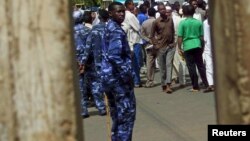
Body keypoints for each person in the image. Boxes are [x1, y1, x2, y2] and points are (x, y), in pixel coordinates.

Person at [101, 2, 136, 141]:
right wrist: (128, 75)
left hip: (108, 78)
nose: (121, 14)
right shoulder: (115, 29)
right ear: (110, 13)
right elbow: (114, 56)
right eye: (118, 11)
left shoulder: (109, 27)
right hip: (118, 80)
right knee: (126, 117)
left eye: (123, 11)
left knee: (116, 117)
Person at [81, 9, 110, 118]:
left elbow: (88, 48)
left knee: (96, 85)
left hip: (97, 62)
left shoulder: (94, 31)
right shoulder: (112, 29)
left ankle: (102, 107)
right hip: (110, 62)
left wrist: (83, 62)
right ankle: (110, 105)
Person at [177, 4, 209, 92]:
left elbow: (180, 37)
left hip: (188, 46)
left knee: (191, 66)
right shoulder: (198, 22)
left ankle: (195, 86)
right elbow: (201, 37)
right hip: (197, 44)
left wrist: (179, 47)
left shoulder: (182, 23)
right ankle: (206, 83)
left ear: (185, 13)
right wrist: (202, 47)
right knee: (200, 66)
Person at [150, 3, 175, 93]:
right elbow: (151, 35)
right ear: (158, 11)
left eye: (164, 9)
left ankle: (168, 84)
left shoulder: (170, 20)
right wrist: (156, 44)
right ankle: (163, 84)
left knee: (169, 65)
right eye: (161, 9)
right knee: (162, 67)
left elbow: (173, 31)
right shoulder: (156, 22)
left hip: (170, 46)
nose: (163, 11)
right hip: (161, 47)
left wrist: (173, 42)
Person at [72, 10, 92, 118]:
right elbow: (89, 47)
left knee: (79, 87)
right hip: (87, 61)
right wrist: (84, 61)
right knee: (88, 84)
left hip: (75, 62)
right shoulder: (87, 30)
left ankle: (82, 110)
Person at [123, 0, 143, 88]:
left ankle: (133, 80)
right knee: (136, 62)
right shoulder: (130, 16)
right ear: (128, 5)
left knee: (130, 62)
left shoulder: (125, 15)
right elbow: (138, 27)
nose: (133, 6)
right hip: (134, 41)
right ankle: (136, 81)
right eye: (132, 4)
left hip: (128, 41)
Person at [141, 7, 157, 88]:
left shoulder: (144, 23)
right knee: (161, 63)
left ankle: (149, 80)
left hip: (149, 45)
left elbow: (142, 35)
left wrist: (149, 40)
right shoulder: (157, 21)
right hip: (158, 44)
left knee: (149, 63)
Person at [203, 8, 214, 92]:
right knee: (209, 66)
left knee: (212, 66)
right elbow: (204, 38)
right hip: (208, 48)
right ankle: (211, 84)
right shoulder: (205, 23)